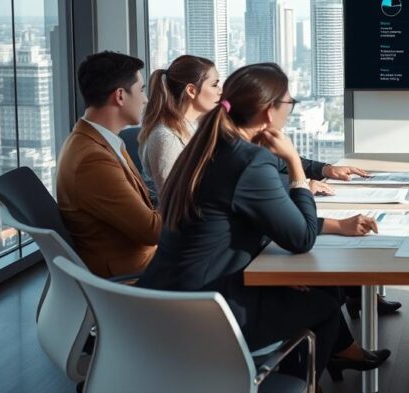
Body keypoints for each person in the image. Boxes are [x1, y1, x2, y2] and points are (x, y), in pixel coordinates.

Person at [139, 63, 389, 381]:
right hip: (209, 313)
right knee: (325, 304)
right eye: (289, 103)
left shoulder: (205, 147)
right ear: (270, 113)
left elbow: (236, 225)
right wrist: (296, 166)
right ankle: (282, 383)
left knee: (315, 290)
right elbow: (301, 238)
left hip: (163, 303)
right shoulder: (247, 161)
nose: (290, 110)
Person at [57, 51, 161, 278]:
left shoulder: (99, 140)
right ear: (120, 96)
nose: (145, 99)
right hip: (133, 276)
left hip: (144, 261)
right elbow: (153, 231)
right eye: (141, 90)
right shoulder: (92, 160)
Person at [139, 55, 222, 198]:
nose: (220, 91)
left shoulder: (196, 127)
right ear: (191, 90)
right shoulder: (166, 138)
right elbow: (174, 198)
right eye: (214, 85)